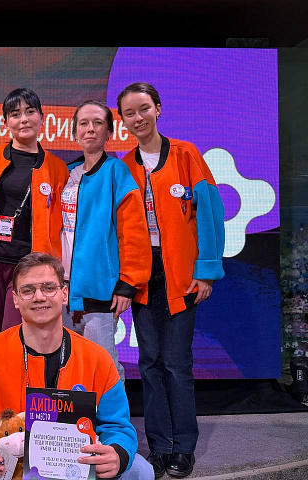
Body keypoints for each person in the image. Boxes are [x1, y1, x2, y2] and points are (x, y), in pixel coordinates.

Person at [0, 252, 154, 479]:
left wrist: (117, 453)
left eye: (48, 288)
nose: (39, 297)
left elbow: (117, 426)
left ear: (64, 294)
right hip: (6, 469)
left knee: (140, 470)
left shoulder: (96, 359)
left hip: (73, 469)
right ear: (15, 299)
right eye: (28, 290)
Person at [118, 82, 225, 478]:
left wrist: (206, 270)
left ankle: (184, 447)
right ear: (122, 120)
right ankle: (160, 447)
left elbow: (210, 212)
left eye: (144, 108)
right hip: (142, 277)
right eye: (129, 113)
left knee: (177, 364)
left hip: (181, 275)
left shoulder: (185, 154)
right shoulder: (123, 166)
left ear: (158, 109)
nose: (138, 118)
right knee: (149, 363)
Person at [61, 100, 151, 382]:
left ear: (109, 132)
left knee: (104, 367)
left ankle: (114, 414)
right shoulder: (65, 173)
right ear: (74, 132)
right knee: (66, 367)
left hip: (99, 290)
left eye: (98, 123)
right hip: (61, 290)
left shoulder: (116, 172)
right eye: (83, 123)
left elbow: (133, 233)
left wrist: (127, 284)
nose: (90, 129)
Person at [0, 88, 69, 335]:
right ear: (6, 123)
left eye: (30, 112)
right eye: (15, 114)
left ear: (41, 118)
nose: (23, 119)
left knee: (13, 337)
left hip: (29, 268)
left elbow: (64, 226)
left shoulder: (57, 168)